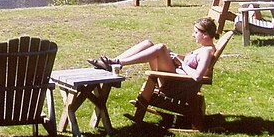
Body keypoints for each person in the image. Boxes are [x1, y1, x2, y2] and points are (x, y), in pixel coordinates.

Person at [88, 17, 218, 82]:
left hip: (175, 80)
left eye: (196, 33)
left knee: (160, 47)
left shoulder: (206, 52)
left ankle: (117, 64)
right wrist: (178, 57)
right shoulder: (205, 48)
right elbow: (193, 63)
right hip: (175, 71)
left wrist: (182, 63)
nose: (193, 35)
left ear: (205, 35)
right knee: (148, 43)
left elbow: (197, 76)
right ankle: (115, 62)